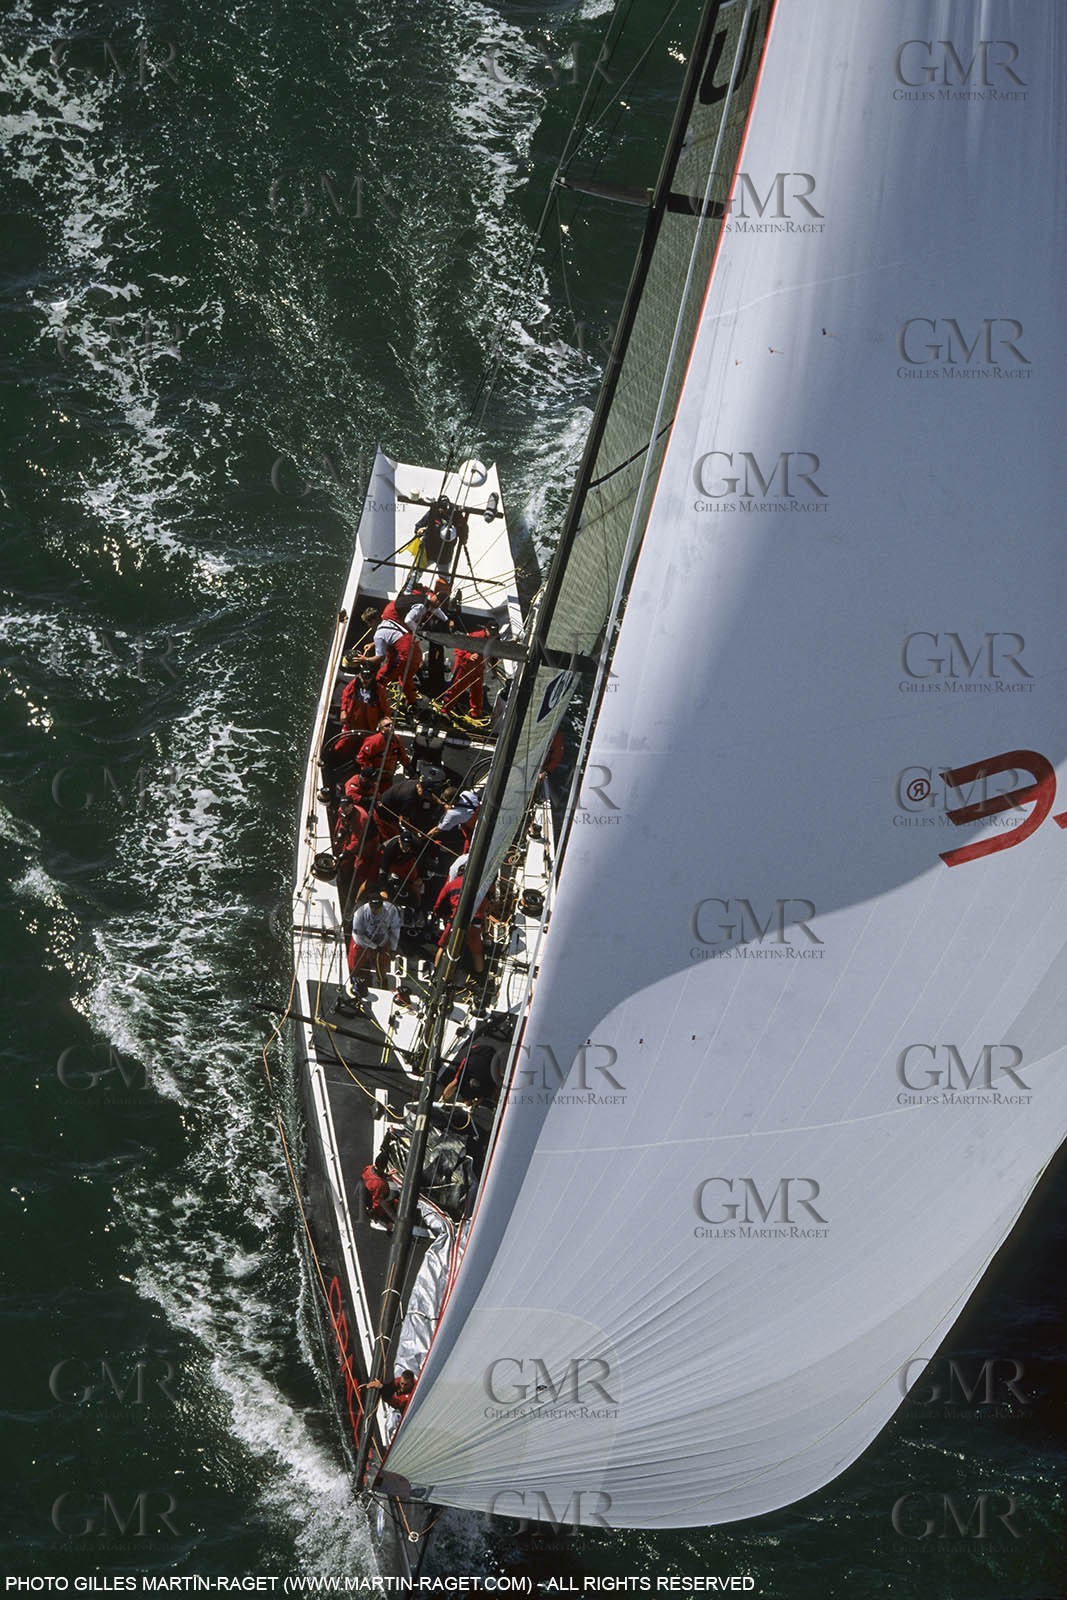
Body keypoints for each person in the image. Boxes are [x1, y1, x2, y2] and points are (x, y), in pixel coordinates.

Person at [433, 865, 487, 978]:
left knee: (443, 947)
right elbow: (486, 905)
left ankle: (435, 974)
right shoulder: (481, 885)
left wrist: (442, 915)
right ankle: (481, 977)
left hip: (456, 922)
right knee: (476, 952)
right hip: (475, 923)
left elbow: (438, 905)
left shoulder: (451, 885)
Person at [347, 889, 401, 990]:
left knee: (382, 965)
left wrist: (393, 948)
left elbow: (395, 929)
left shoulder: (391, 910)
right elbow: (359, 937)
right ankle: (351, 979)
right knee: (353, 964)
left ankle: (382, 983)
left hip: (381, 940)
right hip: (362, 941)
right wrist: (374, 947)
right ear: (369, 904)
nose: (376, 910)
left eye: (378, 907)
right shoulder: (359, 914)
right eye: (373, 907)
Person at [441, 620, 495, 718]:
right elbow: (459, 648)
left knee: (477, 692)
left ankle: (476, 713)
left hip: (478, 669)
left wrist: (494, 671)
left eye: (494, 633)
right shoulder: (475, 636)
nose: (492, 634)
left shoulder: (494, 640)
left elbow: (493, 656)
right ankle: (445, 710)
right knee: (456, 689)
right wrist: (468, 655)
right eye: (490, 631)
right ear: (486, 629)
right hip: (465, 667)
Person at [351, 716, 413, 800]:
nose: (391, 727)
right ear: (381, 729)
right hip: (374, 779)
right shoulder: (373, 742)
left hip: (388, 777)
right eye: (387, 725)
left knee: (386, 797)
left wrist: (408, 767)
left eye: (392, 724)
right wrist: (371, 771)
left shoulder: (396, 740)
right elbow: (361, 758)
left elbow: (402, 756)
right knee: (374, 797)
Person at [375, 773, 446, 841]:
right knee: (394, 832)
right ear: (419, 786)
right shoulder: (409, 798)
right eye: (425, 794)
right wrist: (417, 833)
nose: (427, 797)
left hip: (402, 801)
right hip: (387, 810)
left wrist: (442, 803)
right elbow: (403, 821)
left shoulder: (419, 783)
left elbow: (431, 795)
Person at [341, 665, 389, 734]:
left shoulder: (378, 689)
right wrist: (343, 710)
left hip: (370, 725)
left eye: (368, 679)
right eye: (363, 678)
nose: (365, 681)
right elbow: (346, 694)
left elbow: (385, 707)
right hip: (352, 721)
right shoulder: (355, 683)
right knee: (343, 742)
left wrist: (385, 721)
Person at [360, 1151, 398, 1229]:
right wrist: (386, 1220)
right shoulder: (379, 1184)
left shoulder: (369, 1168)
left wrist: (386, 1175)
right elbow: (377, 1204)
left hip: (366, 1196)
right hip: (374, 1204)